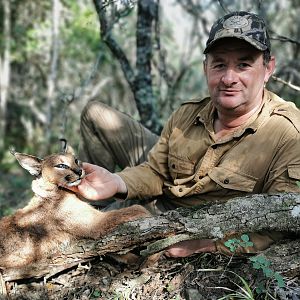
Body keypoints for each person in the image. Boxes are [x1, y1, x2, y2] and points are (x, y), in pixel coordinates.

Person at [68, 11, 300, 257]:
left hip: (194, 226)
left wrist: (210, 246)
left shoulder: (288, 133)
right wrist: (116, 182)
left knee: (92, 240)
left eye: (244, 65)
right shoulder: (188, 114)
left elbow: (283, 219)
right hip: (161, 201)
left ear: (268, 69)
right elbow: (157, 172)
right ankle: (94, 203)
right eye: (219, 65)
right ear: (206, 68)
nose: (229, 78)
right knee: (96, 116)